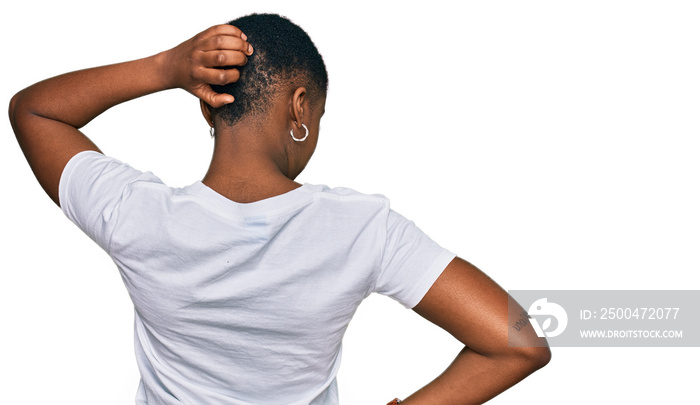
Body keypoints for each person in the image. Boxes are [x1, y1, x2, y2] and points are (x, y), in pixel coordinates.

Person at [9, 13, 550, 405]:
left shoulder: (135, 215)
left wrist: (166, 67)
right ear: (299, 106)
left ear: (205, 106)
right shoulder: (363, 229)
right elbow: (518, 344)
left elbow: (33, 111)